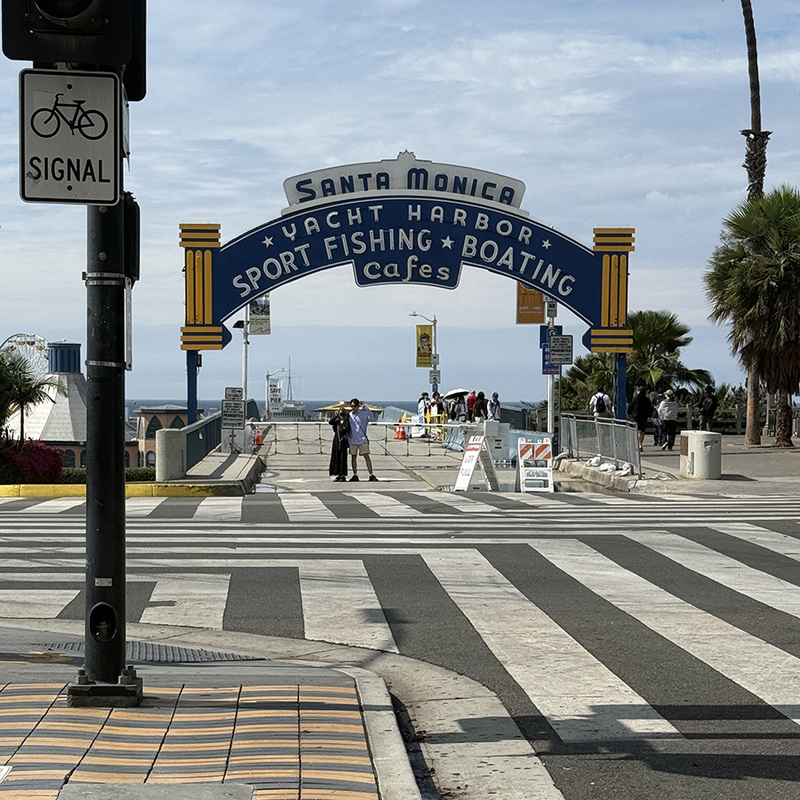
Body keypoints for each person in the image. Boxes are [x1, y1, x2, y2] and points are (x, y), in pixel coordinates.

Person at [347, 398, 378, 481]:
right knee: (353, 457)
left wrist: (365, 408)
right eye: (351, 406)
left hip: (362, 438)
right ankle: (355, 474)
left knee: (366, 456)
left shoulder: (363, 414)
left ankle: (371, 474)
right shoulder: (350, 415)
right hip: (353, 439)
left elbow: (371, 417)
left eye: (354, 406)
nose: (353, 408)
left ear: (357, 406)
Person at [627, 385, 652, 451]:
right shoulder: (647, 399)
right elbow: (650, 408)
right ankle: (640, 445)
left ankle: (637, 444)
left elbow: (630, 407)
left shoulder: (636, 398)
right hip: (644, 417)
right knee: (642, 432)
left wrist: (629, 414)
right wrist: (649, 415)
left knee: (637, 431)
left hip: (636, 417)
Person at [327, 408, 350, 482]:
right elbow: (330, 422)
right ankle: (337, 473)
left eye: (342, 414)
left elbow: (347, 429)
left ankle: (342, 474)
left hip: (343, 440)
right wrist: (336, 416)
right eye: (340, 414)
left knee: (343, 458)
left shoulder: (346, 421)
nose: (341, 415)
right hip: (337, 440)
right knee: (336, 457)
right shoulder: (336, 422)